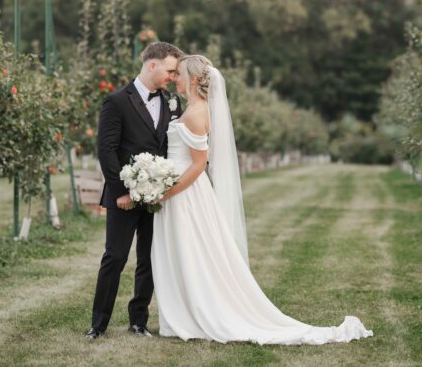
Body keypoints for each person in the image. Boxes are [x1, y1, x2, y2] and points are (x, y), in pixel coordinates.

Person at [151, 54, 373, 345]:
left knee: (191, 251)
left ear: (193, 79)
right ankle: (184, 312)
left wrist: (166, 191)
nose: (174, 78)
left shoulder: (195, 113)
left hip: (186, 193)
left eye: (178, 73)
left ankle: (195, 313)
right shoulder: (191, 107)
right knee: (184, 251)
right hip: (181, 189)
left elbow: (197, 165)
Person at [86, 42, 184, 339]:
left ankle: (138, 320)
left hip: (159, 197)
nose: (173, 76)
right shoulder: (116, 101)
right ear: (152, 65)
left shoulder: (172, 102)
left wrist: (165, 187)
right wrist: (120, 192)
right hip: (124, 195)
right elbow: (107, 151)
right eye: (170, 70)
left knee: (150, 258)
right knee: (115, 257)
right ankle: (98, 324)